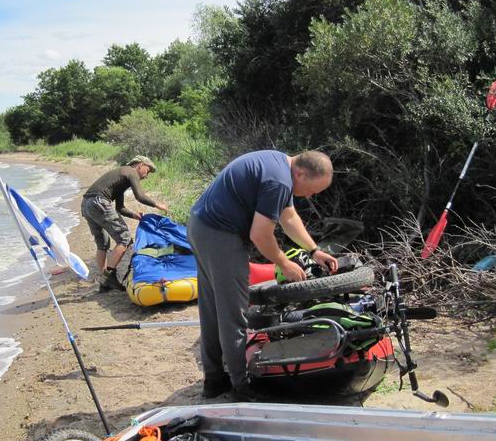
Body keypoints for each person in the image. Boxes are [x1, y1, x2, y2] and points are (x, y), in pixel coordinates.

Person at [188, 150, 338, 401]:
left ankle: (214, 381)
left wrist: (314, 251)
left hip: (202, 226)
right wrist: (283, 262)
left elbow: (289, 217)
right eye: (313, 190)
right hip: (219, 234)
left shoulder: (281, 165)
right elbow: (260, 235)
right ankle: (241, 387)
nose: (311, 196)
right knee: (233, 312)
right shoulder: (279, 181)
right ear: (300, 173)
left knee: (214, 308)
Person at [81, 156, 169, 292]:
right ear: (141, 165)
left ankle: (104, 281)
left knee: (102, 244)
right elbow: (140, 196)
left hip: (87, 204)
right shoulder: (131, 171)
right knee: (125, 238)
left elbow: (120, 208)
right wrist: (158, 205)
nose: (147, 176)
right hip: (98, 202)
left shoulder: (121, 177)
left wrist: (134, 215)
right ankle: (108, 276)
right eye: (148, 170)